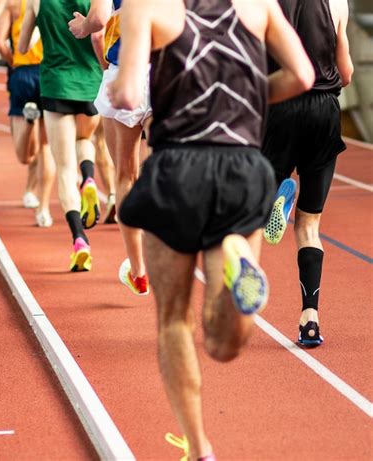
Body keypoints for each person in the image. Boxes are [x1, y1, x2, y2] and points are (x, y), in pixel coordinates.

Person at [109, 0, 314, 458]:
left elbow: (124, 96)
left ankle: (199, 447)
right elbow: (302, 75)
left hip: (177, 166)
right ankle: (238, 255)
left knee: (173, 320)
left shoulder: (147, 6)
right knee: (223, 345)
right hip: (243, 167)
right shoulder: (258, 4)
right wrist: (244, 96)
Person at [262, 0, 354, 347]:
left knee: (248, 205)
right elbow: (345, 74)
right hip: (324, 112)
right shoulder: (338, 2)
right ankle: (309, 318)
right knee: (309, 224)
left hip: (281, 109)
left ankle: (270, 202)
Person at [69, 0, 151, 295]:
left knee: (126, 175)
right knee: (163, 167)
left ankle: (139, 270)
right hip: (166, 68)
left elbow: (98, 22)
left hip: (125, 70)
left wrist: (83, 25)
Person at [19, 0, 103, 271]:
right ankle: (89, 178)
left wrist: (39, 32)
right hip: (90, 83)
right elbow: (101, 34)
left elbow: (22, 48)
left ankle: (80, 239)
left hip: (55, 84)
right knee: (85, 141)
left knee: (65, 168)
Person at [0, 0, 56, 227]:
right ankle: (44, 209)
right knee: (47, 148)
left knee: (25, 156)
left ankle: (30, 122)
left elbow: (0, 43)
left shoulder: (12, 5)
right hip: (49, 74)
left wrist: (15, 65)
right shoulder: (54, 3)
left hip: (22, 74)